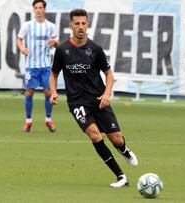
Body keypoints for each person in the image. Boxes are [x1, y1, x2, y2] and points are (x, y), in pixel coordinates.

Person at [49, 8, 138, 188]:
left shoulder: (95, 49)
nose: (80, 27)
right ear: (70, 26)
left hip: (98, 99)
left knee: (117, 139)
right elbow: (53, 74)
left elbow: (109, 74)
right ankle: (121, 176)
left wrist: (106, 94)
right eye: (77, 24)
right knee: (95, 135)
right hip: (77, 102)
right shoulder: (62, 50)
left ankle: (123, 150)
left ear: (87, 25)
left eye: (83, 23)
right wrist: (53, 92)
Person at [17, 0, 58, 132]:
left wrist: (55, 42)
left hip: (46, 66)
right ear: (33, 10)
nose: (39, 10)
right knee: (29, 92)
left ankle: (48, 120)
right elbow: (19, 38)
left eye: (41, 7)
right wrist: (22, 47)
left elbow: (57, 43)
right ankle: (28, 121)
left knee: (48, 92)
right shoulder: (28, 25)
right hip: (31, 66)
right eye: (36, 8)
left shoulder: (51, 26)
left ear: (44, 9)